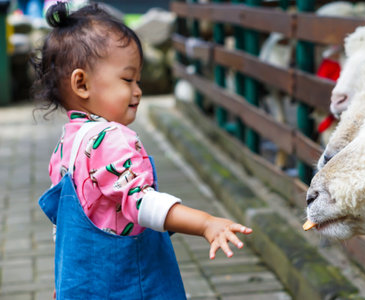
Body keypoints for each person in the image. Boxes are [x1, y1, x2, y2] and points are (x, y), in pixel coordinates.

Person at [33, 2, 252, 299]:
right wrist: (205, 223)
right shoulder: (111, 139)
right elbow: (141, 204)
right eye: (127, 79)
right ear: (81, 83)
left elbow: (69, 233)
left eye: (138, 80)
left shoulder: (67, 145)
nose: (137, 90)